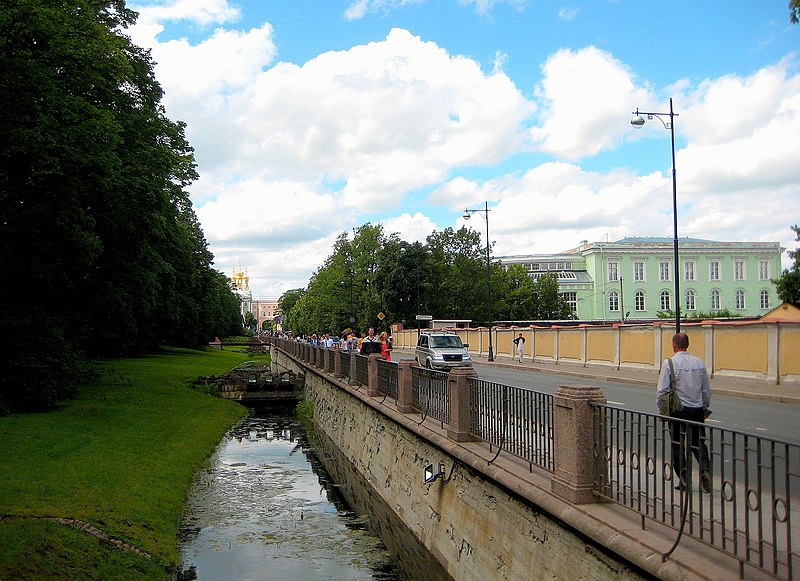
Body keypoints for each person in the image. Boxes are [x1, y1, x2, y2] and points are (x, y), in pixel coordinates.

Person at [656, 333, 712, 493]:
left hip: (677, 411)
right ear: (688, 344)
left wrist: (662, 411)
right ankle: (705, 474)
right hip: (696, 410)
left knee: (677, 445)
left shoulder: (670, 363)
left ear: (674, 344)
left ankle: (684, 479)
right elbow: (706, 390)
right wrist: (704, 407)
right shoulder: (699, 363)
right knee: (698, 444)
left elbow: (662, 391)